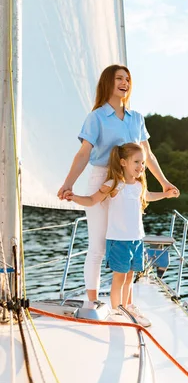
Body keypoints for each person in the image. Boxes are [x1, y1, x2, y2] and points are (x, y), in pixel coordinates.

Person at [57, 64, 179, 302]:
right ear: (108, 83)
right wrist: (68, 184)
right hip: (102, 180)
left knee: (129, 239)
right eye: (119, 78)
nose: (125, 82)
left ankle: (124, 303)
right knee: (98, 246)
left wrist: (164, 183)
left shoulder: (137, 119)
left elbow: (148, 155)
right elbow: (83, 154)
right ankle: (92, 302)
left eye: (127, 79)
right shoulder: (96, 117)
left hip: (131, 185)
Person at [65, 143, 176, 326]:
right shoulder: (113, 184)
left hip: (136, 240)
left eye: (143, 163)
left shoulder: (139, 185)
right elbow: (92, 200)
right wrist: (74, 196)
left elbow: (147, 196)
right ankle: (116, 311)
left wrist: (166, 195)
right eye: (137, 162)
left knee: (130, 277)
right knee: (119, 278)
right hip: (119, 241)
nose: (141, 166)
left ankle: (127, 307)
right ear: (123, 162)